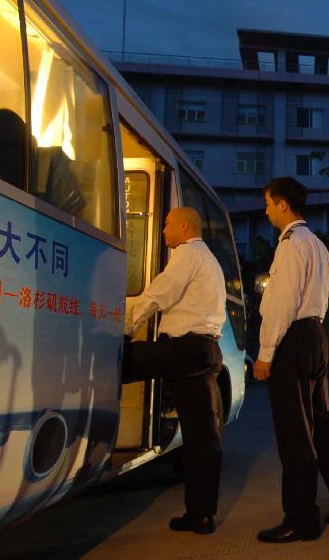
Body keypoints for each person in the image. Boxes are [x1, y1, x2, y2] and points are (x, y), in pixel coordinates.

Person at [253, 177, 329, 544]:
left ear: (284, 205)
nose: (267, 210)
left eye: (269, 204)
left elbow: (282, 304)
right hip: (316, 336)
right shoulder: (318, 245)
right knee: (323, 424)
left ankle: (301, 519)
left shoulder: (290, 246)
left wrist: (265, 353)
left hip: (294, 338)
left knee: (295, 432)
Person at [124, 207, 225, 535]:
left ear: (184, 227)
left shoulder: (187, 253)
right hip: (207, 351)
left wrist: (126, 329)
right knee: (203, 439)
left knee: (119, 360)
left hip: (186, 350)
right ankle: (202, 515)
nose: (163, 230)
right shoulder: (209, 259)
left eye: (166, 225)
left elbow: (159, 293)